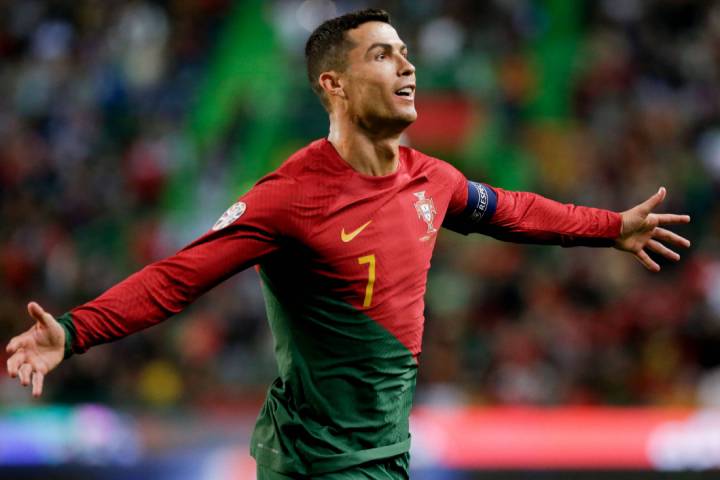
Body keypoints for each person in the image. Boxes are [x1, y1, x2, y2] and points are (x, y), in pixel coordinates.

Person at [5, 8, 691, 480]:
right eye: (383, 55)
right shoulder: (288, 196)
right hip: (315, 463)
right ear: (333, 84)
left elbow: (512, 210)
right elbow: (176, 277)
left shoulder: (433, 179)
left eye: (407, 54)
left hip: (383, 455)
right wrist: (74, 331)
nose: (407, 67)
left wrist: (610, 227)